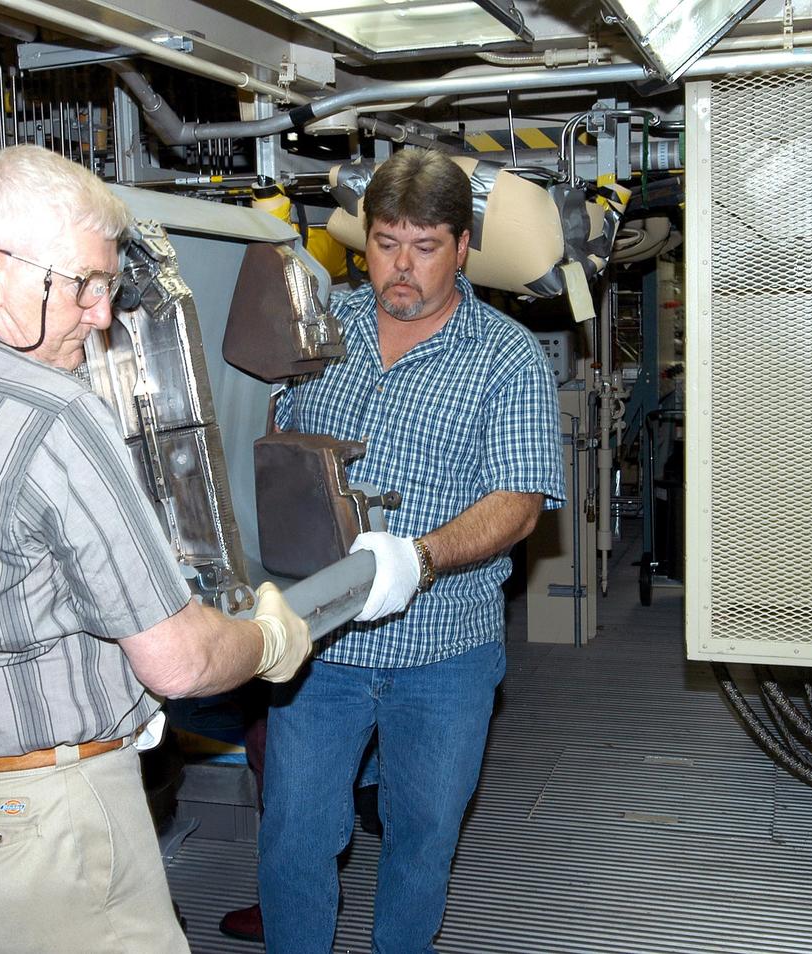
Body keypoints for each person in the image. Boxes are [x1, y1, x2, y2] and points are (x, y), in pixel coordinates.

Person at [0, 144, 311, 954]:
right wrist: (272, 638)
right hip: (44, 813)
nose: (104, 315)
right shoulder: (54, 414)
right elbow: (177, 664)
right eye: (86, 285)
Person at [257, 148, 566, 953]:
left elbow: (519, 502)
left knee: (421, 840)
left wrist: (419, 558)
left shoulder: (506, 357)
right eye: (388, 242)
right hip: (319, 648)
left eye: (425, 247)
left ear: (463, 247)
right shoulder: (321, 332)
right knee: (293, 838)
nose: (402, 266)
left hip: (445, 654)